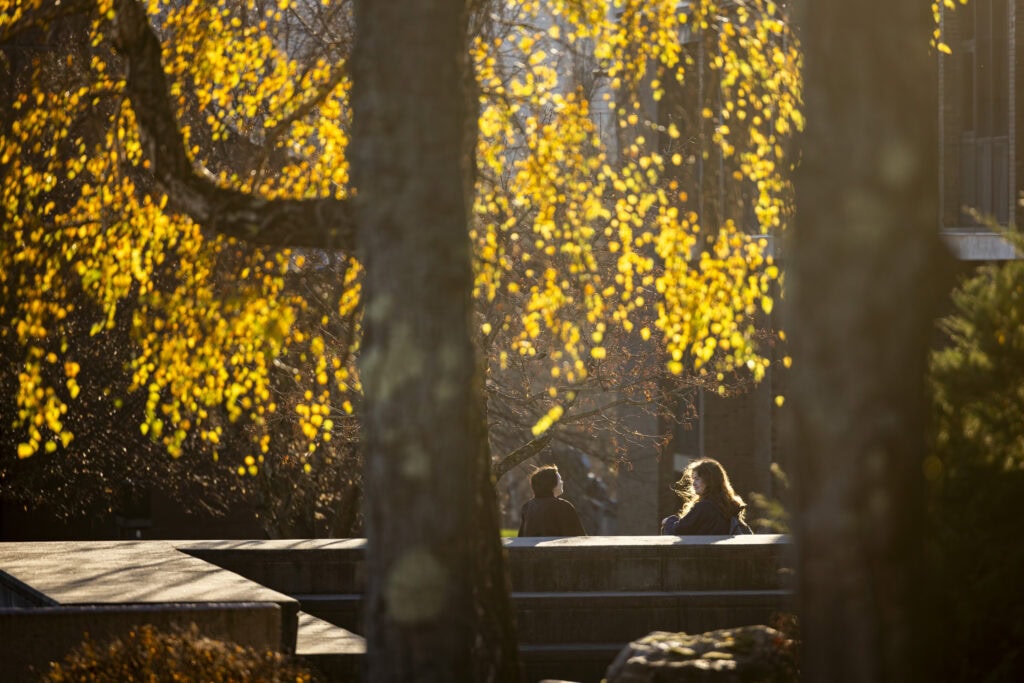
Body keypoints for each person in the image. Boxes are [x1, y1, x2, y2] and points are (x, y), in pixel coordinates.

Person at [660, 458, 752, 535]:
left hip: (705, 556)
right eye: (693, 479)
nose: (693, 484)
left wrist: (668, 521)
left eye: (697, 479)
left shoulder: (705, 507)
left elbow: (677, 531)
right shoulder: (729, 507)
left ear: (710, 481)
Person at [517, 465, 586, 537]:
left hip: (529, 548)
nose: (562, 482)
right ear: (552, 485)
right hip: (557, 548)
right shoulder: (563, 506)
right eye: (559, 480)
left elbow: (521, 537)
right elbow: (579, 537)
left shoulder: (527, 507)